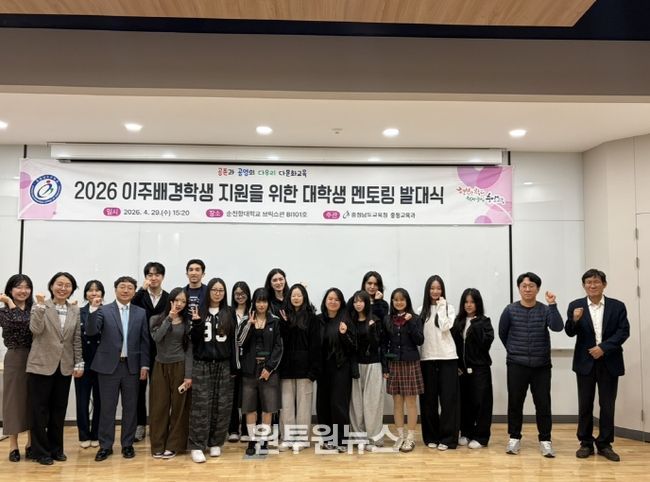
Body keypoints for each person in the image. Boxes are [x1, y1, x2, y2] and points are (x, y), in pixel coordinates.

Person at [565, 269, 630, 462]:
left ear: (604, 284)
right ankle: (585, 442)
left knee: (607, 404)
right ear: (583, 285)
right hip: (584, 362)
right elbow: (569, 332)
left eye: (596, 282)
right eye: (588, 282)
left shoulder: (617, 306)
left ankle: (604, 444)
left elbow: (623, 331)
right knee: (585, 404)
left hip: (609, 361)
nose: (592, 285)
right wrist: (574, 320)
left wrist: (603, 348)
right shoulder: (575, 306)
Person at [499, 272, 563, 458]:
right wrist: (514, 350)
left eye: (531, 286)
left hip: (541, 365)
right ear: (519, 288)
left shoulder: (545, 309)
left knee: (543, 404)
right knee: (515, 403)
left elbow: (557, 327)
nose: (527, 289)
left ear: (538, 289)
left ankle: (545, 440)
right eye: (524, 286)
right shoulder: (510, 310)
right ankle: (514, 438)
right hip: (516, 364)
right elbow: (503, 333)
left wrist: (552, 305)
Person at [87, 276, 150, 462]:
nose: (126, 290)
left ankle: (127, 444)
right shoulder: (103, 310)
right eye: (122, 287)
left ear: (134, 291)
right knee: (107, 408)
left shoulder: (140, 312)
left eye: (130, 287)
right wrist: (93, 309)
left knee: (130, 408)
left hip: (132, 367)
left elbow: (144, 341)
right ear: (115, 290)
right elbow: (91, 331)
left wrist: (145, 364)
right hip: (108, 367)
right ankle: (105, 446)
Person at [27, 272, 84, 465]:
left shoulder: (74, 310)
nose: (63, 288)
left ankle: (56, 449)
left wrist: (79, 362)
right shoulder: (40, 305)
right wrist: (40, 306)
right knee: (39, 410)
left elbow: (76, 339)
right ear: (52, 286)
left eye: (68, 285)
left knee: (58, 410)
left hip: (64, 366)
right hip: (41, 365)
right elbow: (35, 330)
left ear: (72, 289)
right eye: (59, 284)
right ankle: (40, 452)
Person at [188, 278, 237, 463]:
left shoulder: (229, 312)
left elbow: (233, 342)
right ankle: (197, 445)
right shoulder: (199, 311)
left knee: (222, 405)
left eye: (221, 290)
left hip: (223, 364)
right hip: (202, 364)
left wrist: (233, 366)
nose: (217, 293)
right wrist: (197, 323)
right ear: (208, 292)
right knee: (201, 406)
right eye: (214, 290)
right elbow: (193, 340)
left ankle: (216, 442)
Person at [238, 288, 283, 456]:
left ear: (268, 303)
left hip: (269, 371)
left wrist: (269, 368)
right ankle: (251, 440)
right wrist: (249, 326)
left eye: (264, 301)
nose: (261, 304)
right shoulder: (246, 320)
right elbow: (240, 343)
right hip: (250, 370)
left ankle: (264, 440)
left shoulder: (275, 321)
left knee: (268, 408)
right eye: (258, 301)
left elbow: (279, 347)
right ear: (254, 303)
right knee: (250, 408)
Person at [149, 287, 192, 459]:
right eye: (177, 300)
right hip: (160, 366)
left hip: (180, 366)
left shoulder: (187, 322)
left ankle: (174, 445)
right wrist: (169, 318)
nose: (180, 304)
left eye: (183, 301)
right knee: (159, 406)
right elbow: (157, 338)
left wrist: (188, 375)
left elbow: (189, 350)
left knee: (179, 407)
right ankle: (158, 445)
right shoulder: (155, 319)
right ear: (171, 300)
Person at [418, 275, 460, 450]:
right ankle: (431, 437)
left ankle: (448, 439)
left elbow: (444, 326)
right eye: (432, 288)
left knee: (449, 400)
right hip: (427, 358)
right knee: (428, 401)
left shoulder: (449, 308)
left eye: (438, 288)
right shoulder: (421, 311)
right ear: (427, 290)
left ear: (442, 290)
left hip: (447, 358)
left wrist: (441, 307)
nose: (435, 291)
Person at [278, 283, 321, 452]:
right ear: (289, 298)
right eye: (293, 295)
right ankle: (288, 437)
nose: (296, 298)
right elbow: (281, 342)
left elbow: (316, 346)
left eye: (299, 295)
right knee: (286, 405)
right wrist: (284, 323)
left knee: (304, 406)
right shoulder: (283, 316)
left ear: (304, 298)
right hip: (286, 368)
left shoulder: (312, 318)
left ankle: (302, 439)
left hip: (305, 369)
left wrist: (313, 370)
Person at [132, 261, 170, 442]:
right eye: (150, 275)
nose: (153, 278)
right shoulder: (139, 296)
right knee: (138, 389)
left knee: (159, 391)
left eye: (157, 274)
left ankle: (157, 425)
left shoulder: (168, 297)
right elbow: (129, 306)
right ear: (145, 277)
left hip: (160, 349)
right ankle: (140, 424)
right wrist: (141, 289)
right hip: (139, 349)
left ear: (163, 277)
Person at [451, 288, 494, 449]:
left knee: (481, 403)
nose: (469, 305)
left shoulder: (484, 322)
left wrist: (475, 325)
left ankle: (481, 437)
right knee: (465, 403)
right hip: (462, 370)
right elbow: (452, 345)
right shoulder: (458, 321)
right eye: (466, 302)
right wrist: (456, 365)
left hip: (480, 369)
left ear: (478, 304)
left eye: (472, 302)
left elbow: (485, 344)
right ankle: (466, 432)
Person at [383, 288, 424, 453]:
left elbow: (419, 340)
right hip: (394, 364)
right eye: (396, 300)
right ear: (392, 302)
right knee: (397, 402)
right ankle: (400, 436)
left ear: (407, 301)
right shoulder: (388, 319)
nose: (399, 302)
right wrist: (385, 366)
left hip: (410, 363)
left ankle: (410, 437)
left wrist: (410, 323)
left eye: (402, 299)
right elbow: (384, 344)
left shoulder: (415, 318)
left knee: (411, 402)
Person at [316, 287, 355, 452]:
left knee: (338, 404)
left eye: (336, 299)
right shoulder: (318, 320)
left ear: (341, 303)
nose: (333, 302)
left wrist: (344, 334)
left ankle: (342, 441)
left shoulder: (346, 320)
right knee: (323, 405)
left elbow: (353, 347)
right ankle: (328, 439)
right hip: (322, 368)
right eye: (330, 299)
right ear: (325, 301)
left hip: (340, 367)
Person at [0, 274, 34, 462]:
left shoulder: (35, 309)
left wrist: (9, 302)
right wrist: (9, 303)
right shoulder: (3, 311)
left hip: (35, 356)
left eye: (26, 287)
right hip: (15, 356)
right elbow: (18, 322)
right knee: (13, 401)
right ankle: (13, 445)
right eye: (19, 287)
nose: (23, 291)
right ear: (10, 290)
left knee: (33, 400)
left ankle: (31, 443)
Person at [347, 290, 386, 451]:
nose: (358, 304)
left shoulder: (375, 320)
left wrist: (371, 330)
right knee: (356, 403)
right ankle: (359, 438)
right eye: (355, 301)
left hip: (373, 364)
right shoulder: (350, 321)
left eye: (361, 301)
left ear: (366, 303)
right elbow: (349, 345)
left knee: (373, 402)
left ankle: (373, 438)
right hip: (355, 365)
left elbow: (379, 345)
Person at [75, 280, 104, 449]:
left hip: (102, 363)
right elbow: (75, 338)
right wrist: (76, 361)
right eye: (90, 290)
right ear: (86, 294)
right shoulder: (78, 312)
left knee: (100, 400)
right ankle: (84, 434)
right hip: (83, 362)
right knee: (82, 400)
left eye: (97, 290)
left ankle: (96, 434)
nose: (94, 293)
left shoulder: (108, 311)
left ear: (102, 294)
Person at [228, 281, 251, 442]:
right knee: (233, 396)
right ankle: (233, 429)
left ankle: (246, 430)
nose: (240, 296)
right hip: (232, 360)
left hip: (248, 360)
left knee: (247, 397)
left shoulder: (253, 312)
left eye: (243, 293)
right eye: (237, 294)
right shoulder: (229, 312)